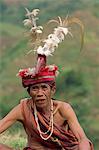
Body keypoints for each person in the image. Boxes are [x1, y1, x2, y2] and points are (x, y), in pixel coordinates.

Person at [0, 8, 94, 150]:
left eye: (44, 87)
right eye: (35, 88)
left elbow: (82, 139)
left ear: (52, 90)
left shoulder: (63, 109)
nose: (39, 93)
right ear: (29, 92)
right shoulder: (23, 109)